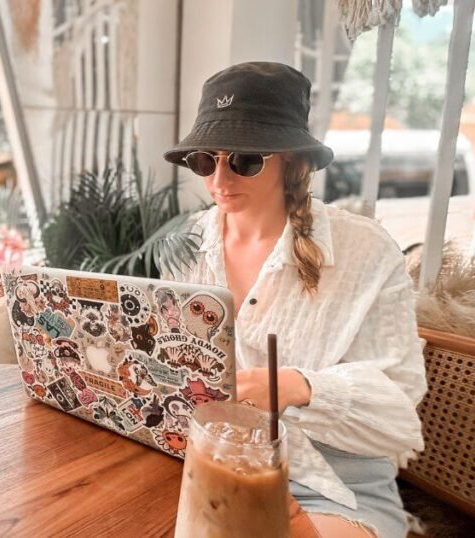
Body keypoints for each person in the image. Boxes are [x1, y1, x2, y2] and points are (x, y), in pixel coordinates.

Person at [162, 62, 426, 537]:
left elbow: (400, 410)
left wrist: (299, 386)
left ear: (293, 161)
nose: (219, 179)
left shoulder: (365, 251)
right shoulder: (184, 244)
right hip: (210, 458)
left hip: (335, 482)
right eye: (206, 160)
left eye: (243, 160)